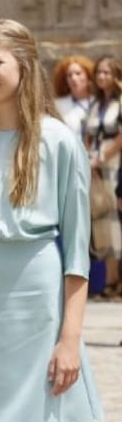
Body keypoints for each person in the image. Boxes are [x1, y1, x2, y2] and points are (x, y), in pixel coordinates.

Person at [0, 18, 104, 422]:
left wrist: (70, 339)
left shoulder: (59, 141)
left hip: (38, 306)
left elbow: (77, 254)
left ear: (24, 64)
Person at [85, 55, 122, 298]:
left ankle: (117, 280)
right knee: (103, 221)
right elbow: (88, 135)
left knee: (117, 220)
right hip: (95, 167)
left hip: (115, 165)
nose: (101, 76)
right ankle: (111, 279)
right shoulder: (96, 104)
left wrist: (101, 157)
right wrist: (88, 159)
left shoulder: (120, 102)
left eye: (106, 72)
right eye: (98, 72)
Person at [51, 55, 95, 138]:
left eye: (78, 73)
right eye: (69, 75)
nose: (74, 78)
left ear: (88, 76)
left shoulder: (98, 102)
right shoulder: (58, 105)